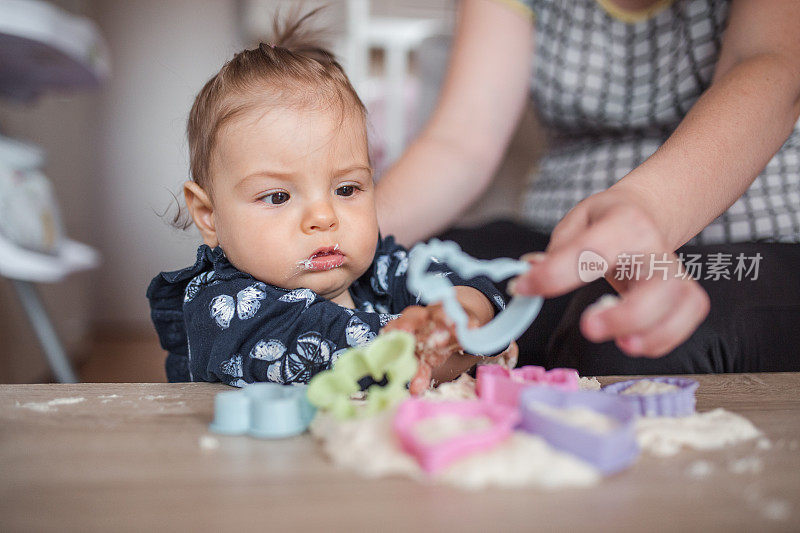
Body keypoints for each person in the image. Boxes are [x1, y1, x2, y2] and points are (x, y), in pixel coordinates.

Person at [376, 0, 800, 374]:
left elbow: (769, 66)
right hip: (557, 240)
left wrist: (645, 208)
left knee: (630, 344)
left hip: (755, 240)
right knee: (400, 278)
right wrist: (342, 232)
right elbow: (461, 141)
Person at [146, 12, 509, 392]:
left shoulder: (378, 270)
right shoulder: (225, 307)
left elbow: (461, 282)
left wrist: (465, 313)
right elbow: (328, 344)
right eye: (278, 196)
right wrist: (430, 342)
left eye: (346, 190)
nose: (324, 217)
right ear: (208, 215)